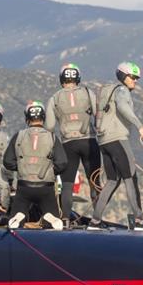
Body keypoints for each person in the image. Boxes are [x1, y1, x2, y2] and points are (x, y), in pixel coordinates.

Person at [90, 61, 143, 231]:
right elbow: (123, 107)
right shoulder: (122, 91)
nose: (136, 81)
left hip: (104, 141)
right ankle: (140, 221)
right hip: (118, 139)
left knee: (112, 180)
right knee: (130, 177)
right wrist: (140, 127)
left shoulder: (107, 91)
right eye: (133, 77)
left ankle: (95, 221)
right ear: (124, 76)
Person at [45, 63, 101, 227]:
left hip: (68, 143)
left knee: (67, 184)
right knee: (94, 181)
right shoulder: (87, 92)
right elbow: (98, 115)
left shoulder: (55, 98)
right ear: (78, 78)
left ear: (62, 79)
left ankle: (65, 219)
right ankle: (97, 220)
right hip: (89, 140)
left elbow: (48, 126)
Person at [3, 101, 68, 230]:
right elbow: (62, 163)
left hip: (24, 186)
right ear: (43, 117)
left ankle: (19, 215)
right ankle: (49, 216)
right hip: (45, 186)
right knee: (52, 220)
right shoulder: (52, 137)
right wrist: (49, 170)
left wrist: (22, 167)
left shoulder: (19, 136)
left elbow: (7, 162)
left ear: (27, 118)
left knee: (17, 215)